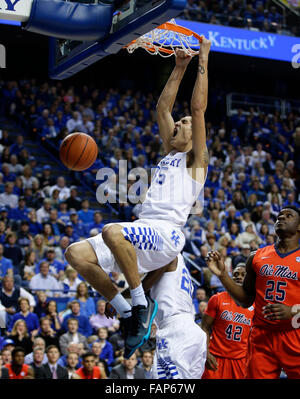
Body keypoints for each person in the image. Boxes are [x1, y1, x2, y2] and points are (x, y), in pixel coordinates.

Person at [65, 38, 211, 358]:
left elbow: (198, 109)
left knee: (112, 230)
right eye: (180, 121)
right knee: (75, 253)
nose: (181, 124)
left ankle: (139, 305)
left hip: (167, 233)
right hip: (145, 233)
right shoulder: (168, 153)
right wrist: (180, 66)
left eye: (186, 124)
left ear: (195, 135)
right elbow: (162, 108)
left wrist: (203, 60)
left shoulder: (195, 160)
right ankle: (128, 311)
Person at [206, 205, 300, 379]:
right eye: (279, 215)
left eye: (289, 215)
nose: (282, 218)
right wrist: (222, 275)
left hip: (295, 331)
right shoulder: (256, 256)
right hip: (261, 334)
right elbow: (246, 300)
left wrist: (292, 311)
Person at [201, 263, 254, 379]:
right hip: (215, 357)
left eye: (243, 275)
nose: (239, 277)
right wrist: (206, 353)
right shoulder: (217, 298)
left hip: (240, 360)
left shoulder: (256, 304)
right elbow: (204, 327)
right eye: (235, 274)